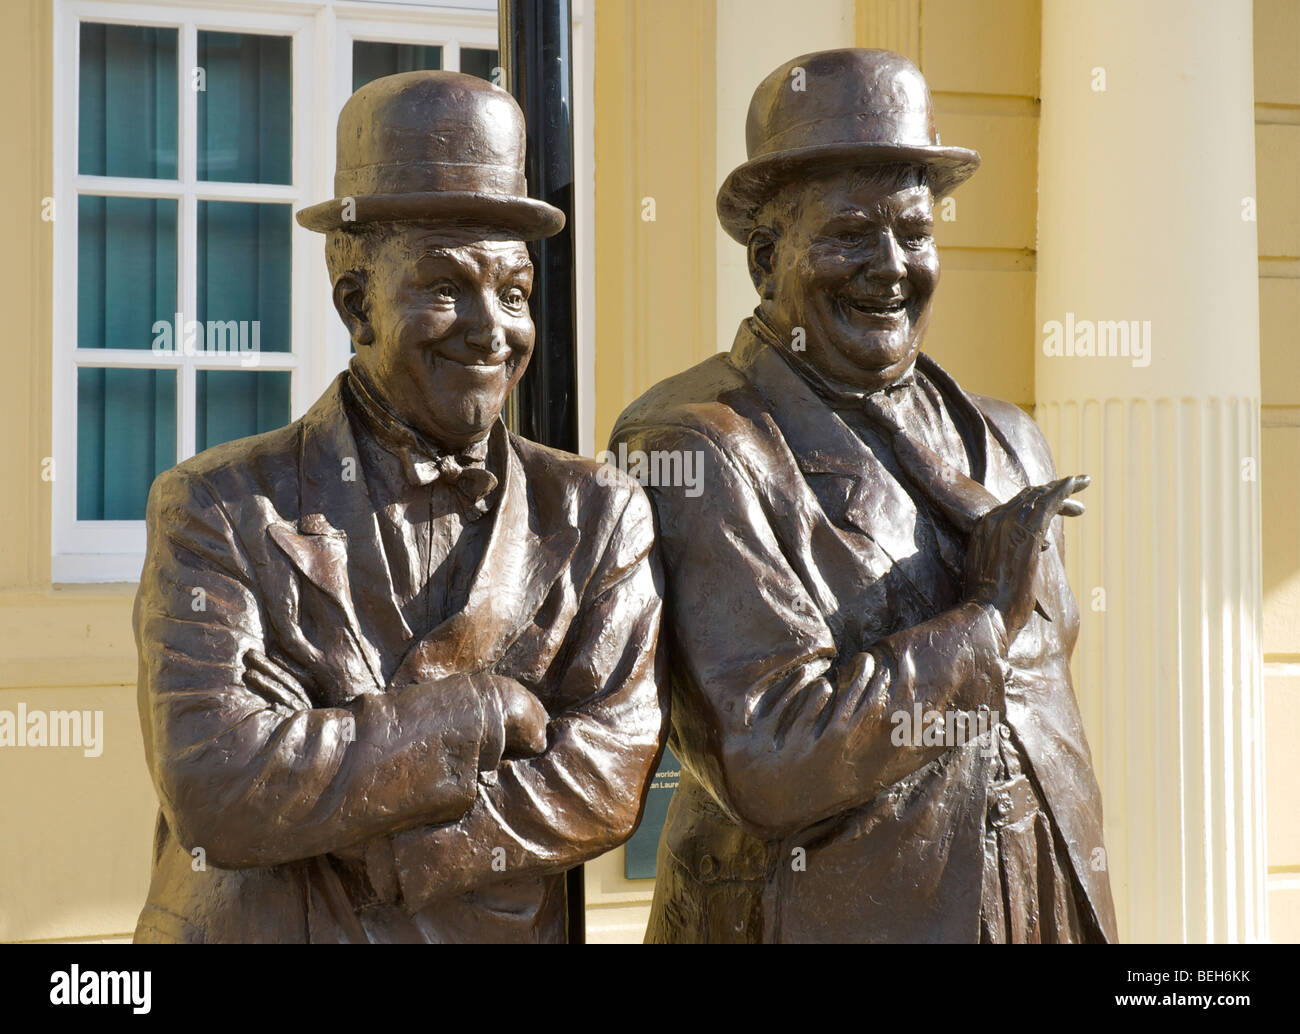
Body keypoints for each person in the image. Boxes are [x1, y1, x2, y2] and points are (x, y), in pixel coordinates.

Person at [133, 70, 667, 943]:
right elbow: (215, 784)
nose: (493, 328)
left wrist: (386, 841)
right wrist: (479, 714)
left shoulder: (598, 513)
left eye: (517, 293)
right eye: (448, 287)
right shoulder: (217, 507)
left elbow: (607, 774)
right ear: (356, 303)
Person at [611, 49, 1117, 943]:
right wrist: (981, 620)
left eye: (914, 232)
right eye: (850, 233)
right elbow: (769, 753)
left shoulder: (1007, 438)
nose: (891, 266)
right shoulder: (694, 443)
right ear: (767, 260)